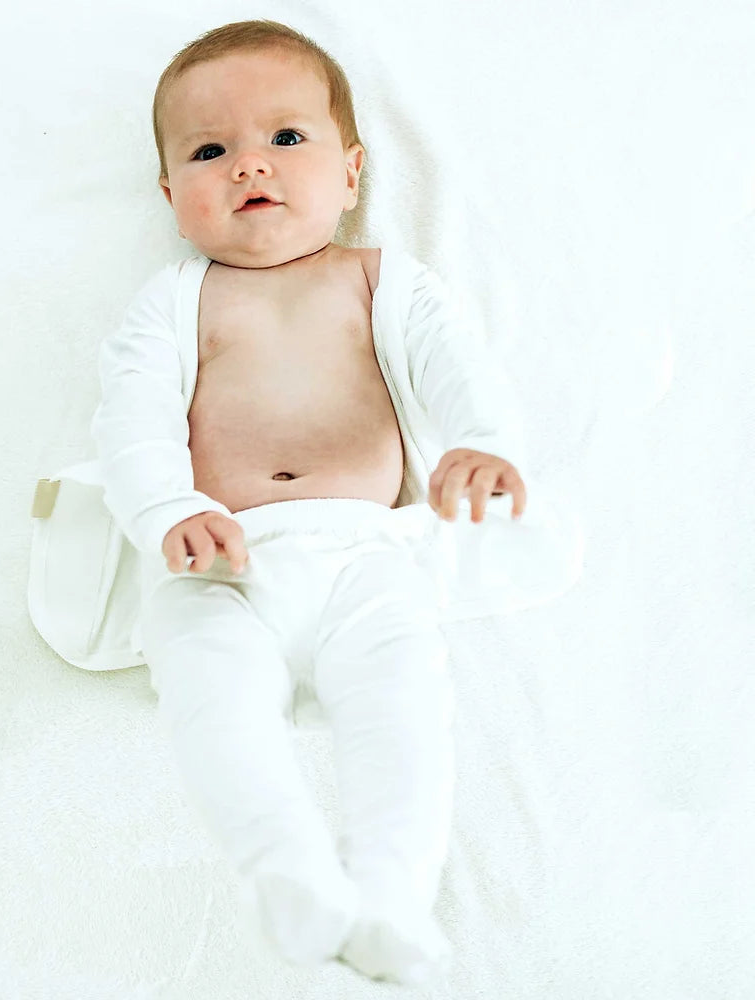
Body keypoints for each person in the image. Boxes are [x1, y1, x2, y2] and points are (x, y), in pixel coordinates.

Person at [90, 18, 528, 988]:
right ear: (171, 195)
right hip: (218, 564)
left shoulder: (381, 281)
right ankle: (284, 869)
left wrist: (480, 445)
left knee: (405, 709)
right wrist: (165, 510)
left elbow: (460, 371)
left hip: (363, 557)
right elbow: (129, 419)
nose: (251, 165)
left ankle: (389, 893)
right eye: (210, 150)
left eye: (287, 138)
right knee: (215, 706)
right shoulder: (175, 300)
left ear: (353, 171)